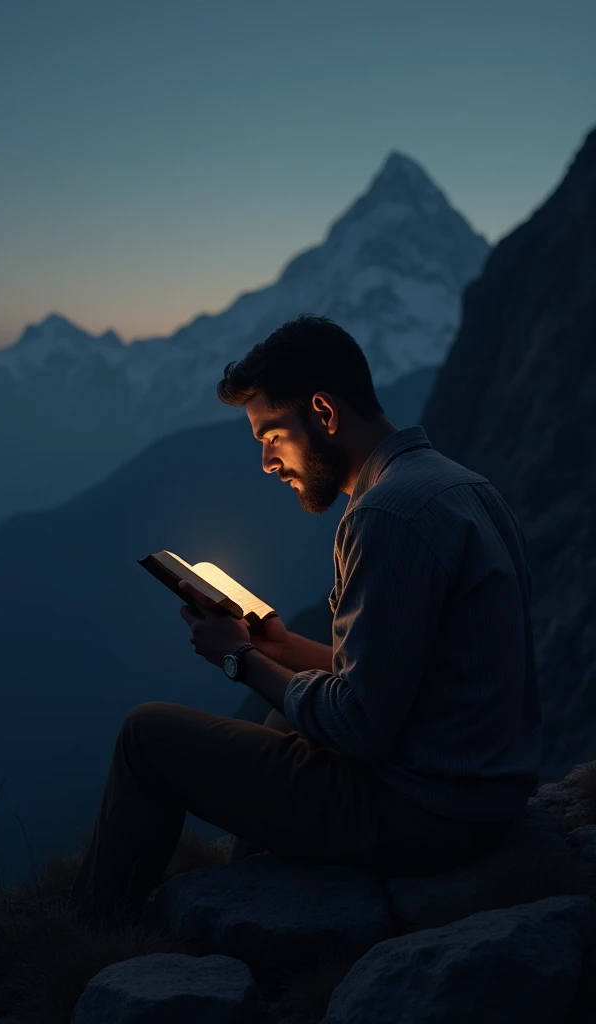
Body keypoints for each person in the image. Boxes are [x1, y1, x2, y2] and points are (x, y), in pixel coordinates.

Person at [69, 313, 542, 926]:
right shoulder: (463, 487)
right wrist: (280, 645)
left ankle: (92, 933)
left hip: (429, 812)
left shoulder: (386, 517)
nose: (268, 462)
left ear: (322, 412)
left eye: (271, 435)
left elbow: (360, 727)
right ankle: (254, 904)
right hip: (482, 793)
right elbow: (388, 682)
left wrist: (238, 659)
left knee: (145, 735)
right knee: (280, 717)